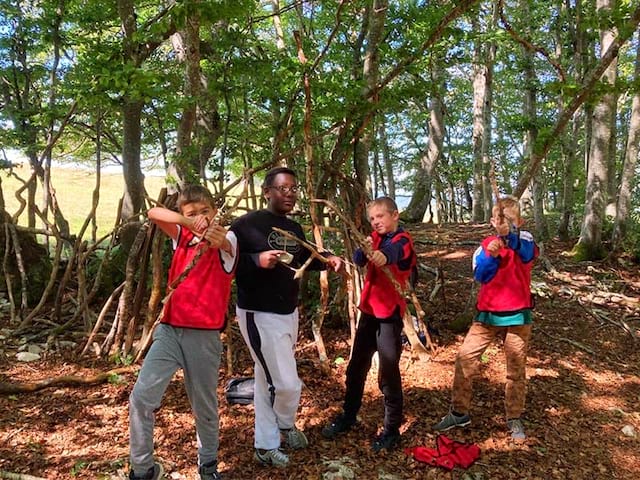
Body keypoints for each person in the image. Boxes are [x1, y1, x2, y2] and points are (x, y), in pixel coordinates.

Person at [230, 166, 342, 468]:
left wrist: (327, 259)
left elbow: (305, 257)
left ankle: (268, 443)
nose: (289, 193)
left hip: (288, 312)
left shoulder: (293, 229)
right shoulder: (245, 225)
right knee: (285, 384)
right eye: (282, 188)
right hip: (258, 313)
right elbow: (225, 261)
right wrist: (256, 259)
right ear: (267, 191)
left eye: (294, 188)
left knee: (267, 376)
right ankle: (280, 428)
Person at [128, 185, 237, 480]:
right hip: (169, 330)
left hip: (204, 337)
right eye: (192, 213)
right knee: (141, 398)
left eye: (205, 211)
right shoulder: (182, 237)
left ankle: (208, 465)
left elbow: (225, 244)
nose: (200, 217)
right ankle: (142, 469)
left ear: (215, 211)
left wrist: (216, 237)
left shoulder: (227, 238)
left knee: (204, 405)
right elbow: (153, 212)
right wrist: (187, 222)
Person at [433, 195, 538, 441]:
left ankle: (514, 417)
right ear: (492, 221)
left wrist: (510, 236)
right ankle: (459, 412)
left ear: (519, 221)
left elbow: (526, 254)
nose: (504, 224)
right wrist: (492, 254)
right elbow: (481, 274)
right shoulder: (485, 245)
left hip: (517, 317)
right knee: (465, 358)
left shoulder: (525, 239)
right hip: (486, 317)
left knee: (515, 369)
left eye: (510, 220)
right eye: (500, 220)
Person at [321, 196, 416, 453]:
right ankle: (348, 416)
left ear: (395, 215)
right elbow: (359, 259)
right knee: (355, 368)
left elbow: (392, 255)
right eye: (372, 219)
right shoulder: (373, 238)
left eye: (381, 217)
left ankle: (391, 429)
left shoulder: (402, 241)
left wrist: (380, 255)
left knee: (388, 371)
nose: (376, 222)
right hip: (369, 312)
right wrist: (364, 250)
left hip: (389, 316)